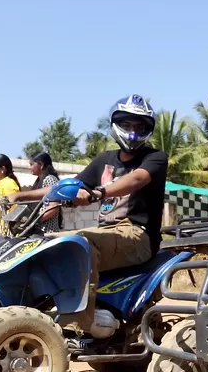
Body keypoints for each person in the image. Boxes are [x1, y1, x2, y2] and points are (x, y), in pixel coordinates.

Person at [10, 95, 168, 338]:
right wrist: (19, 197)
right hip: (107, 232)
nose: (133, 131)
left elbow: (137, 179)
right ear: (116, 125)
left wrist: (98, 192)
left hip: (137, 234)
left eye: (140, 126)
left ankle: (80, 322)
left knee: (80, 243)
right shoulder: (104, 160)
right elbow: (66, 185)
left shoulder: (154, 157)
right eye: (127, 125)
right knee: (45, 242)